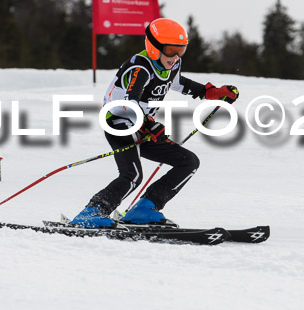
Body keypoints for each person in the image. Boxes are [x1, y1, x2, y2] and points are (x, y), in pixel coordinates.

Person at [70, 18, 239, 228]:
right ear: (153, 47)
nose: (175, 57)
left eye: (181, 50)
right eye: (170, 50)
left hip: (144, 127)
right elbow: (131, 101)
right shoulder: (140, 68)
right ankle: (92, 212)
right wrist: (149, 125)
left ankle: (145, 208)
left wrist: (211, 92)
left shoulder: (172, 64)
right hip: (119, 123)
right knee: (132, 175)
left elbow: (179, 84)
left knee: (188, 162)